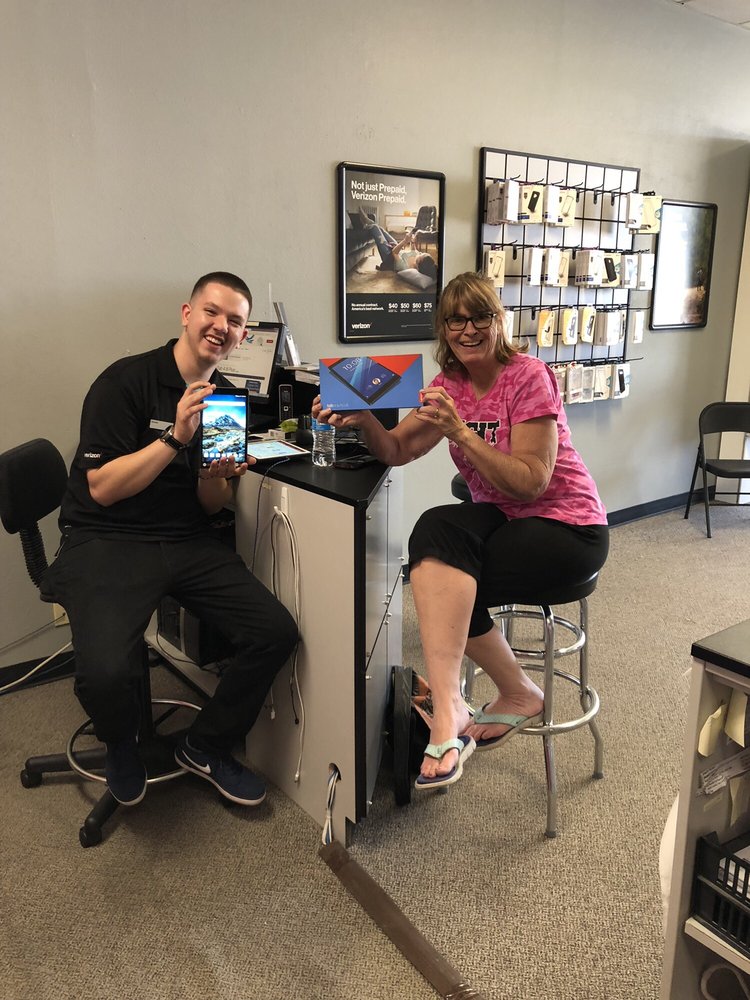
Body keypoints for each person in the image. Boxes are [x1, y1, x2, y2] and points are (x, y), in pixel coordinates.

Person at [313, 272, 609, 792]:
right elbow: (399, 449)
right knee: (435, 532)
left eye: (480, 317)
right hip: (506, 519)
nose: (467, 330)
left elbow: (531, 483)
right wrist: (364, 421)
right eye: (455, 320)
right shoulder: (448, 385)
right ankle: (507, 694)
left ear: (499, 321)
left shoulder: (528, 376)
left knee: (445, 582)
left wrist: (461, 433)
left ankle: (452, 712)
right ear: (443, 328)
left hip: (568, 527)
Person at [44, 272, 298, 808]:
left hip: (183, 537)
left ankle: (206, 746)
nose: (222, 326)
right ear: (187, 314)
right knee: (105, 672)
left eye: (235, 321)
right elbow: (102, 488)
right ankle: (121, 742)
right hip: (107, 537)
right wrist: (176, 437)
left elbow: (209, 504)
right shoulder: (124, 382)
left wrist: (214, 477)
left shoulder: (224, 400)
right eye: (212, 312)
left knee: (274, 632)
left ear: (243, 334)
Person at [358, 209, 438, 281]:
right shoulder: (417, 256)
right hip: (397, 249)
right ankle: (367, 221)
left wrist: (405, 241)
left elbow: (394, 253)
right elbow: (414, 251)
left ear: (419, 261)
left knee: (374, 228)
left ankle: (366, 225)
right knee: (381, 229)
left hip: (389, 256)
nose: (419, 253)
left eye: (421, 254)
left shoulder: (404, 267)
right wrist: (412, 241)